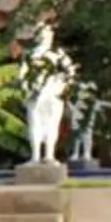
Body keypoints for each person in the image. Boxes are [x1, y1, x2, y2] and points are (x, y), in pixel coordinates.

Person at [23, 22, 76, 165]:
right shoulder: (30, 55)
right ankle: (35, 156)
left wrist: (62, 87)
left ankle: (49, 155)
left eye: (49, 32)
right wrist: (28, 88)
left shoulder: (58, 54)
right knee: (35, 125)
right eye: (45, 33)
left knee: (51, 125)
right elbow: (22, 75)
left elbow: (70, 72)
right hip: (35, 95)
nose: (48, 35)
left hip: (52, 94)